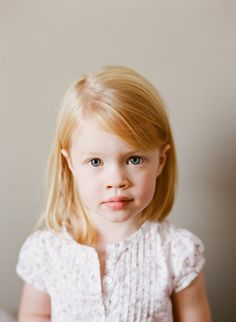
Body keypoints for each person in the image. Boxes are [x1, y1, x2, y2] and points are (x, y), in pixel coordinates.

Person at [16, 66, 212, 322]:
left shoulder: (176, 253)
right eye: (96, 162)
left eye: (134, 159)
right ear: (70, 164)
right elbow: (35, 314)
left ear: (160, 161)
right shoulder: (47, 251)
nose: (117, 181)